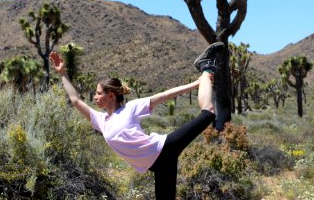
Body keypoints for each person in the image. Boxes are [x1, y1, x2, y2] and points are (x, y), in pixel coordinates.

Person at [49, 42, 225, 199]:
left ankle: (206, 67)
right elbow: (75, 100)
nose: (95, 97)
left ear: (111, 95)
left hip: (165, 148)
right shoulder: (100, 121)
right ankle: (205, 74)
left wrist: (196, 84)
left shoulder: (130, 108)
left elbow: (163, 96)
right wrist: (62, 73)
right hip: (159, 166)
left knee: (208, 114)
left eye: (98, 93)